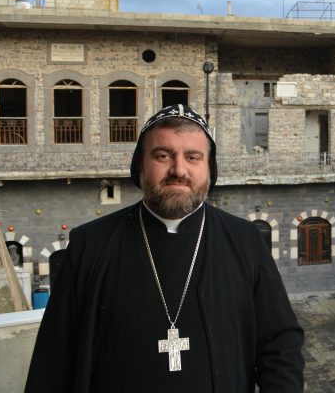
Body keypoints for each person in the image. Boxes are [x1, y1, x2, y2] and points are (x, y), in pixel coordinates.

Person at [25, 105, 305, 392]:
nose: (178, 170)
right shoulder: (90, 245)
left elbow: (280, 345)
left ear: (210, 168)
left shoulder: (245, 241)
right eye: (163, 155)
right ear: (141, 166)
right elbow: (52, 360)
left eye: (193, 157)